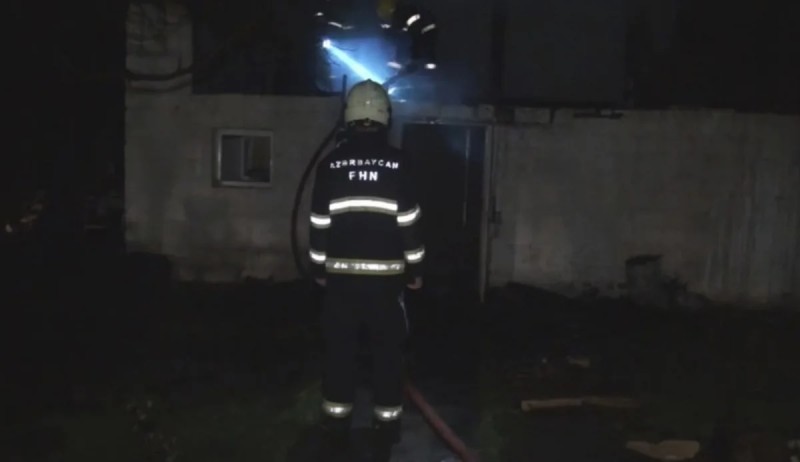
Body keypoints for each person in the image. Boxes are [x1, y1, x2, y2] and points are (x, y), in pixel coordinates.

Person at [307, 79, 425, 461]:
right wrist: (415, 270)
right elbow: (409, 223)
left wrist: (319, 268)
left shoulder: (330, 165)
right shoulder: (400, 163)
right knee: (387, 357)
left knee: (339, 355)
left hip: (340, 285)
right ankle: (385, 430)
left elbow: (319, 224)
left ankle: (335, 427)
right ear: (385, 116)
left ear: (349, 117)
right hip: (386, 287)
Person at [377, 0, 439, 74]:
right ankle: (422, 62)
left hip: (423, 29)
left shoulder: (405, 16)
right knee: (418, 44)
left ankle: (413, 63)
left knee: (413, 43)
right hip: (425, 28)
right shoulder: (404, 12)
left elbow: (414, 38)